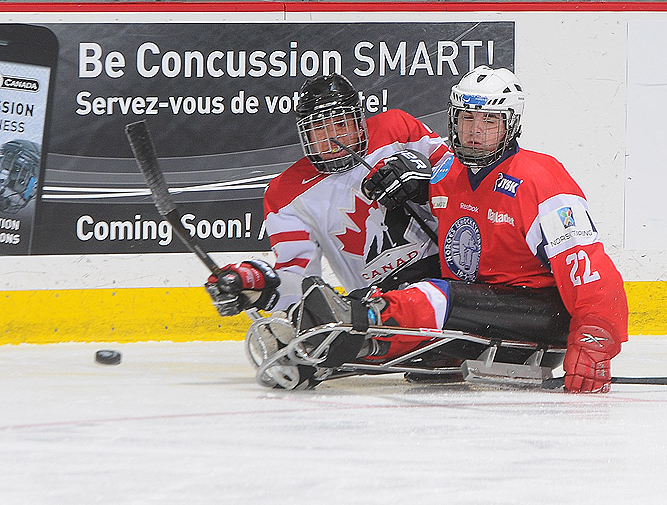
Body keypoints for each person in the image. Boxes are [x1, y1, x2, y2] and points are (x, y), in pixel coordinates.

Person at [295, 66, 629, 393]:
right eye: (466, 117)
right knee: (408, 279)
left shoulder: (540, 179)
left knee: (438, 295)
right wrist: (412, 182)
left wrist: (595, 338)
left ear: (510, 124)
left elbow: (588, 268)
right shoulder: (446, 173)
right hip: (479, 310)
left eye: (489, 120)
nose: (474, 129)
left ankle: (359, 320)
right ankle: (350, 346)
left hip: (540, 317)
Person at [204, 73, 451, 317]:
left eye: (342, 124)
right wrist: (255, 281)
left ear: (359, 121)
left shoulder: (397, 130)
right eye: (319, 128)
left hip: (449, 273)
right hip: (378, 306)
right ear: (306, 135)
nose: (332, 137)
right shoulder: (285, 194)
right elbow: (299, 282)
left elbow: (464, 190)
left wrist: (424, 183)